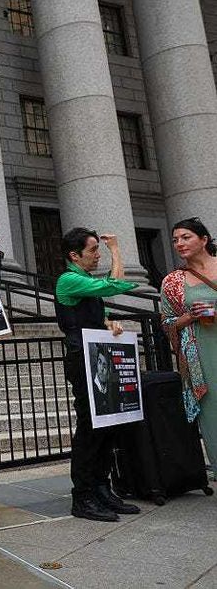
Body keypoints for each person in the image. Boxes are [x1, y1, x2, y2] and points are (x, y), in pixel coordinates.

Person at [54, 227, 141, 521]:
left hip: (97, 357)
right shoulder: (68, 279)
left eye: (99, 250)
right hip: (82, 360)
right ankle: (83, 496)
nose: (97, 255)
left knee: (106, 426)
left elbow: (91, 314)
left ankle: (101, 489)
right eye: (93, 251)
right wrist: (117, 250)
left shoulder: (84, 282)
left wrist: (108, 323)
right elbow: (116, 284)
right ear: (74, 255)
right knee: (90, 428)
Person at [160, 217, 217, 476]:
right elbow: (167, 322)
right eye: (175, 240)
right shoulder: (172, 281)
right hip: (201, 357)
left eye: (186, 237)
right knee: (213, 414)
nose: (179, 243)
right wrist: (188, 317)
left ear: (204, 239)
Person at [91, 346, 119, 416]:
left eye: (105, 365)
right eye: (99, 362)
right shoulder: (92, 387)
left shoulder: (112, 388)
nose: (101, 369)